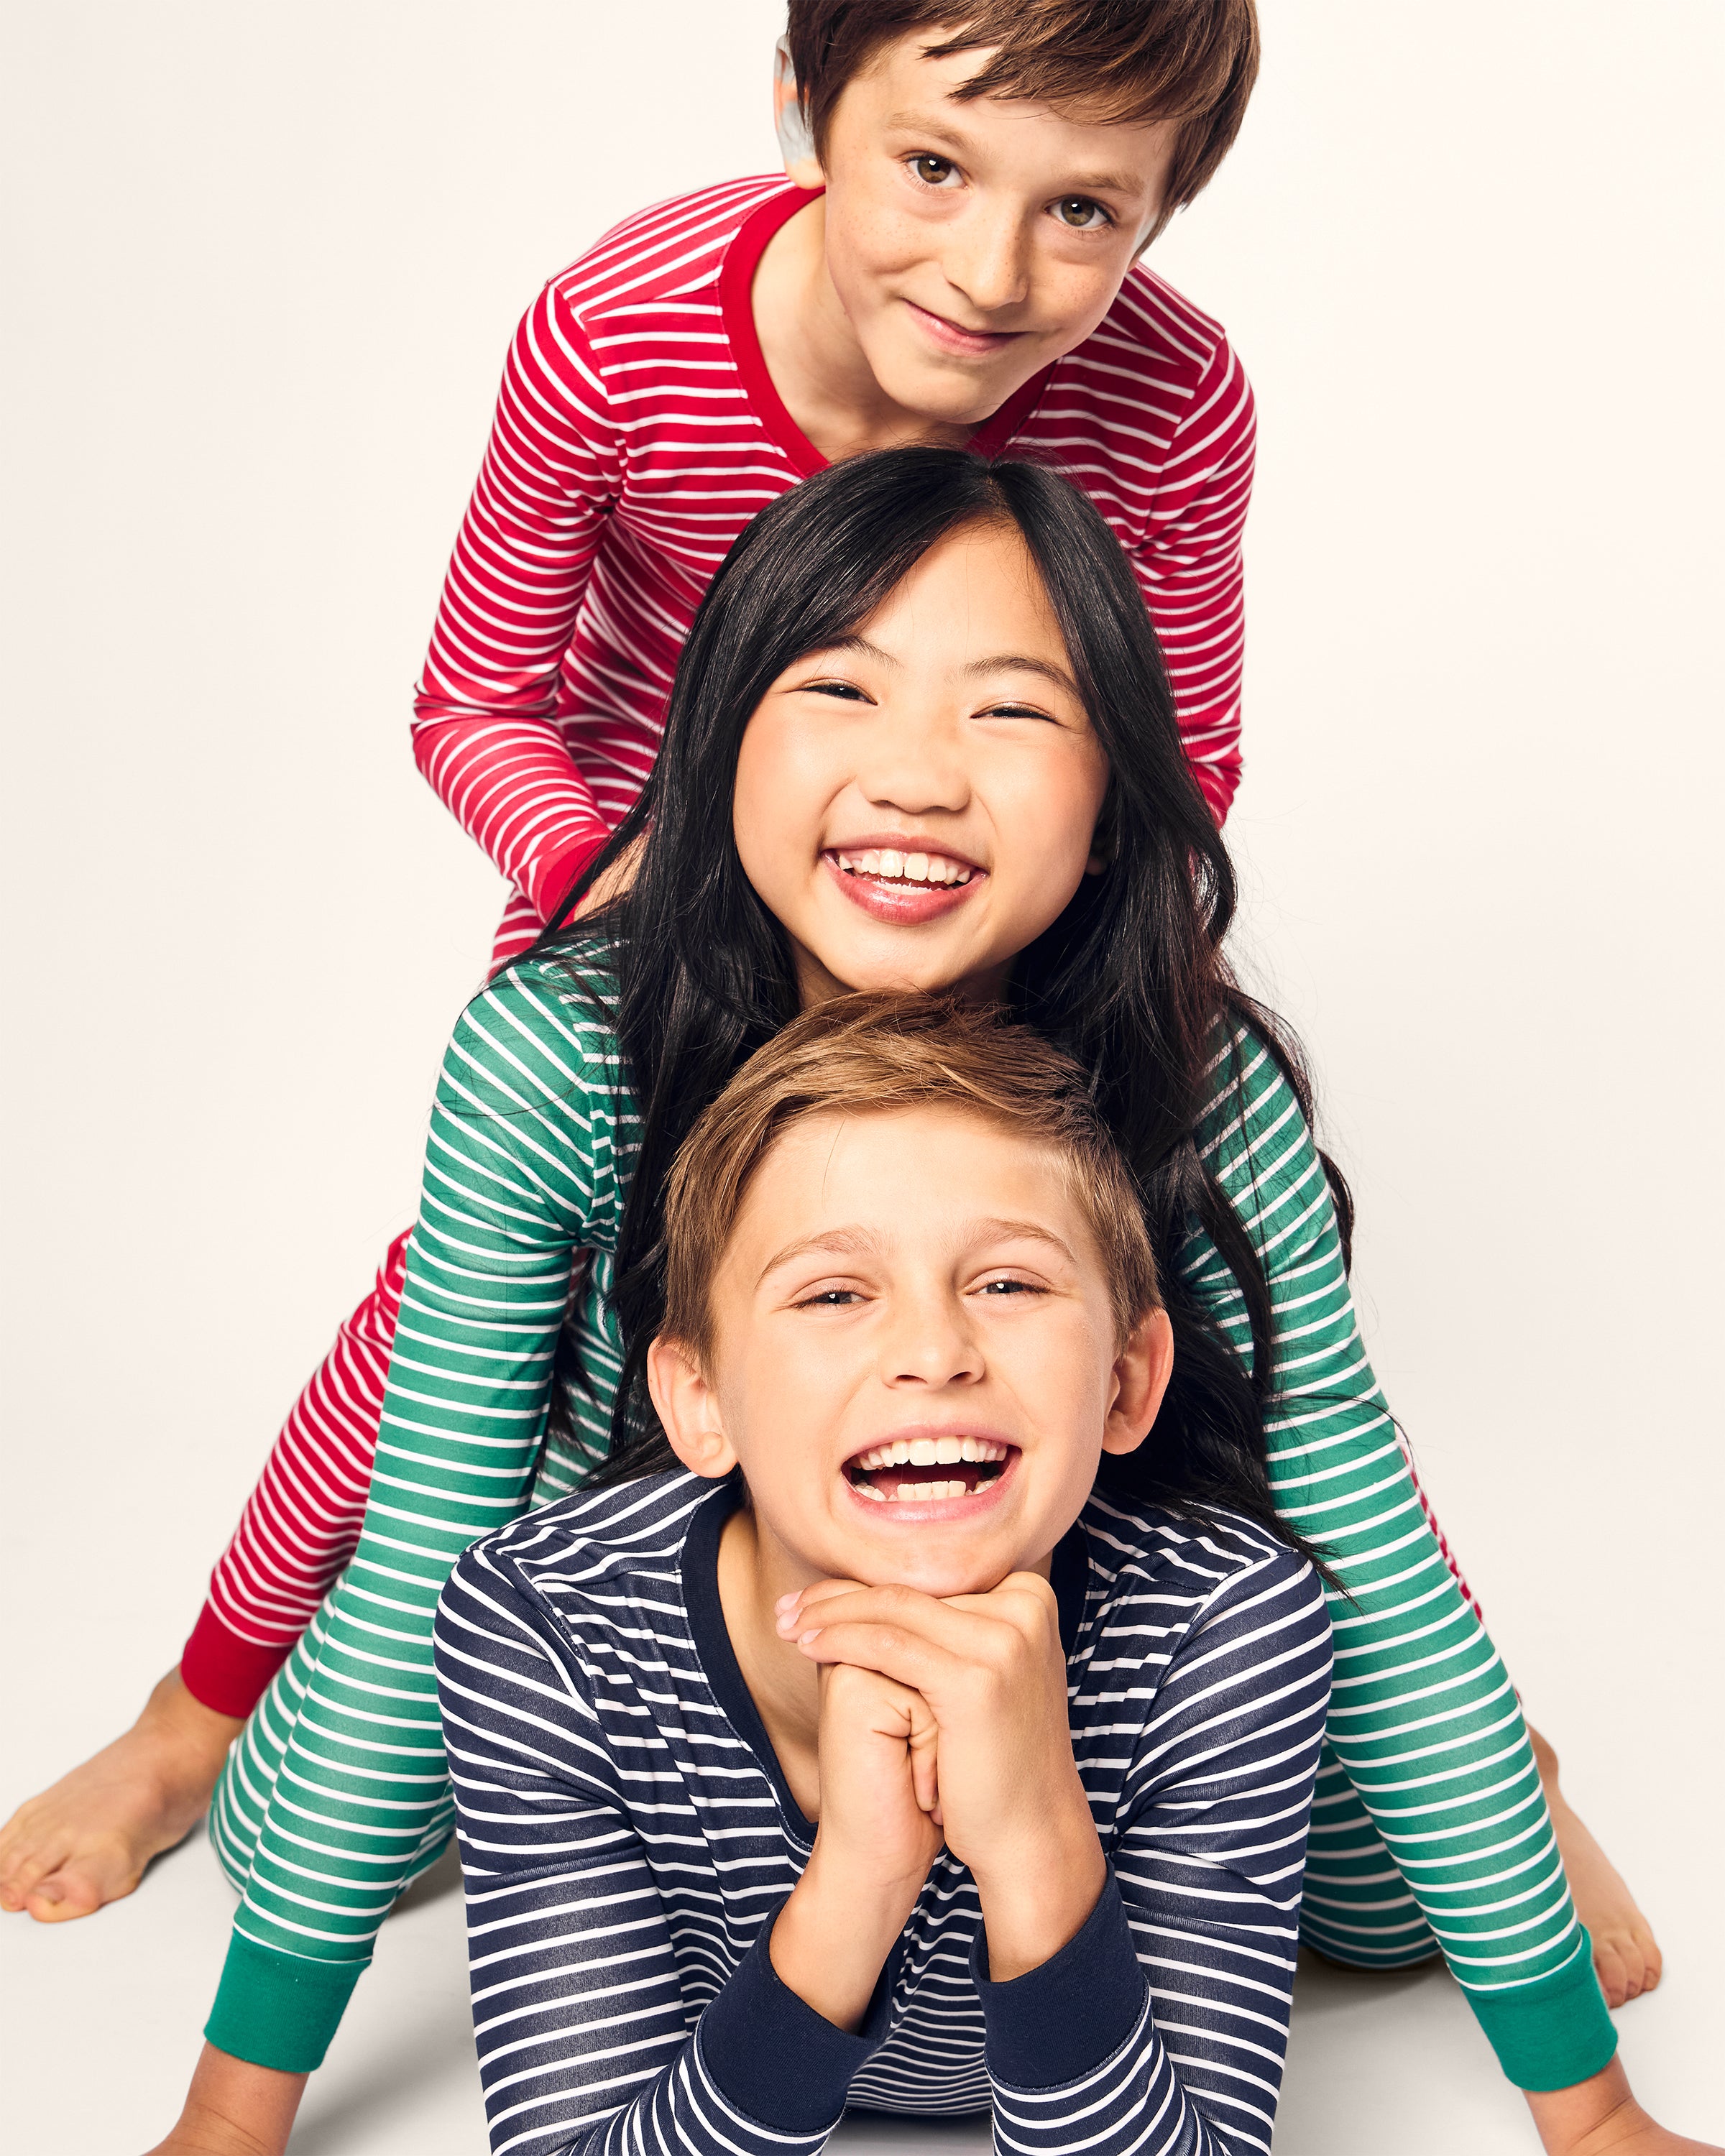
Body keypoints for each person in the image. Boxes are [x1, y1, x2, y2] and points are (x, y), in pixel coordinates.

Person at [1, 2, 1657, 2021]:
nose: (988, 274)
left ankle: (1480, 1764)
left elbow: (1178, 739)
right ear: (805, 105)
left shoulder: (1180, 395)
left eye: (1084, 214)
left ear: (1166, 216)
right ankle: (199, 1706)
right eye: (937, 168)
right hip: (671, 908)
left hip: (1005, 937)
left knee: (1260, 1328)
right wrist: (609, 877)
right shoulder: (617, 332)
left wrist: (1065, 969)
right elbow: (474, 699)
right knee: (441, 1333)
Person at [138, 450, 1706, 2154]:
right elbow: (421, 1521)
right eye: (840, 689)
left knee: (1394, 1884)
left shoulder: (1198, 1085)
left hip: (1091, 1635)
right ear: (714, 744)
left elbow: (1367, 1539)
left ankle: (1521, 1781)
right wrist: (231, 2116)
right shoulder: (562, 1051)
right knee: (289, 1806)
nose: (920, 776)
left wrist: (1593, 2111)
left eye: (1012, 713)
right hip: (714, 1609)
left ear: (1118, 790)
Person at [433, 992, 1337, 2156]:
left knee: (1384, 1910)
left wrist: (1035, 1833)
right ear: (701, 1403)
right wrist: (855, 1880)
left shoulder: (1225, 1621)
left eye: (1008, 1283)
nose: (933, 1354)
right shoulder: (542, 1621)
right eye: (834, 1294)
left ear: (1126, 1380)